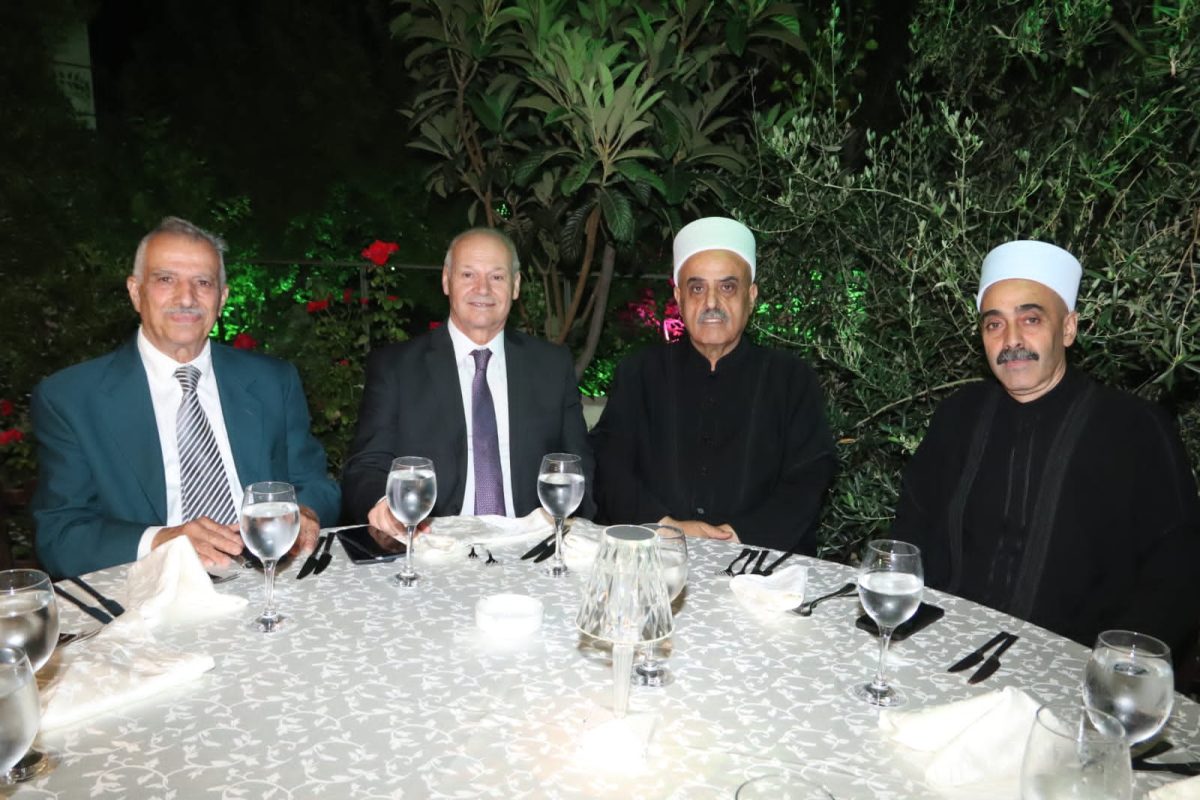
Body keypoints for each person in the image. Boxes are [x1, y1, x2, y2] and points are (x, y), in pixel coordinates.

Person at [892, 239, 1200, 657]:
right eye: (994, 324)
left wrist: (1118, 665)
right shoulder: (957, 415)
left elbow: (1177, 571)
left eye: (1031, 319)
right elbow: (910, 531)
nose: (1011, 340)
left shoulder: (1135, 429)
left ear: (1068, 328)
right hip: (940, 644)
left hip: (1072, 667)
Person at [32, 217, 340, 577]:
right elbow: (60, 537)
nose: (186, 298)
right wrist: (163, 540)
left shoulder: (272, 381)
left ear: (222, 298)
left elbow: (316, 484)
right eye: (166, 279)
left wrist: (304, 512)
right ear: (135, 292)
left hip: (269, 575)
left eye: (203, 283)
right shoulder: (72, 399)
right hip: (152, 588)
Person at [589, 217, 836, 552]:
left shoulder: (792, 380)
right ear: (679, 297)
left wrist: (738, 535)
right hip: (654, 553)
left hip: (759, 561)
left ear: (751, 296)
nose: (711, 303)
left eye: (727, 287)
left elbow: (809, 477)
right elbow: (609, 462)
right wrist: (666, 526)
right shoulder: (639, 373)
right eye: (697, 288)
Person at [341, 227, 594, 536]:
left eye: (497, 277)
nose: (482, 289)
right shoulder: (396, 367)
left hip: (529, 543)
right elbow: (367, 464)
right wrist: (386, 506)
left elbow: (579, 464)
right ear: (446, 281)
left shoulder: (551, 366)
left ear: (515, 286)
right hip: (432, 542)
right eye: (468, 275)